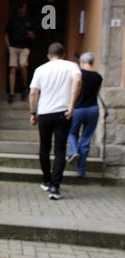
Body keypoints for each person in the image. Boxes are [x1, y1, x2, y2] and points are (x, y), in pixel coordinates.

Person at [29, 43, 82, 200]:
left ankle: (46, 180)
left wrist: (33, 112)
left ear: (48, 55)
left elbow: (33, 93)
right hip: (63, 113)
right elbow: (78, 81)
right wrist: (72, 105)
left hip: (45, 113)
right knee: (60, 151)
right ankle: (54, 187)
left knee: (44, 148)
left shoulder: (40, 69)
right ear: (64, 54)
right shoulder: (72, 66)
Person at [67, 52, 103, 177]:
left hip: (79, 109)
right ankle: (81, 170)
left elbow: (74, 91)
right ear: (92, 62)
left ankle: (73, 151)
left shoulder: (79, 75)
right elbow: (96, 93)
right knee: (86, 138)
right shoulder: (98, 77)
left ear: (81, 62)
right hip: (93, 109)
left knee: (72, 132)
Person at [5, 2, 35, 104]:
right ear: (19, 9)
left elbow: (33, 36)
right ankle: (12, 93)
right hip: (13, 46)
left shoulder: (29, 21)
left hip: (24, 47)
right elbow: (6, 34)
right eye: (22, 8)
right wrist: (8, 46)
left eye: (24, 8)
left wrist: (31, 35)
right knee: (12, 68)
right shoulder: (13, 20)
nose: (23, 10)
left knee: (22, 65)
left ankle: (24, 86)